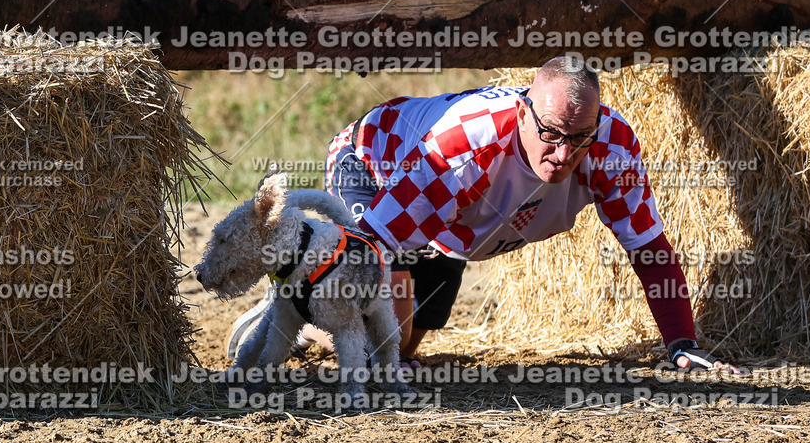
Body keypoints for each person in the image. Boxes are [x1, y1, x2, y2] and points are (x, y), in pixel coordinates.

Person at [230, 56, 745, 373]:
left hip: (457, 216)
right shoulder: (459, 153)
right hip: (379, 165)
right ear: (523, 112)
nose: (563, 154)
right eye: (550, 133)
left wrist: (682, 343)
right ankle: (293, 311)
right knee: (391, 339)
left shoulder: (612, 147)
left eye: (578, 139)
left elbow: (648, 247)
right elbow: (366, 250)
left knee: (410, 334)